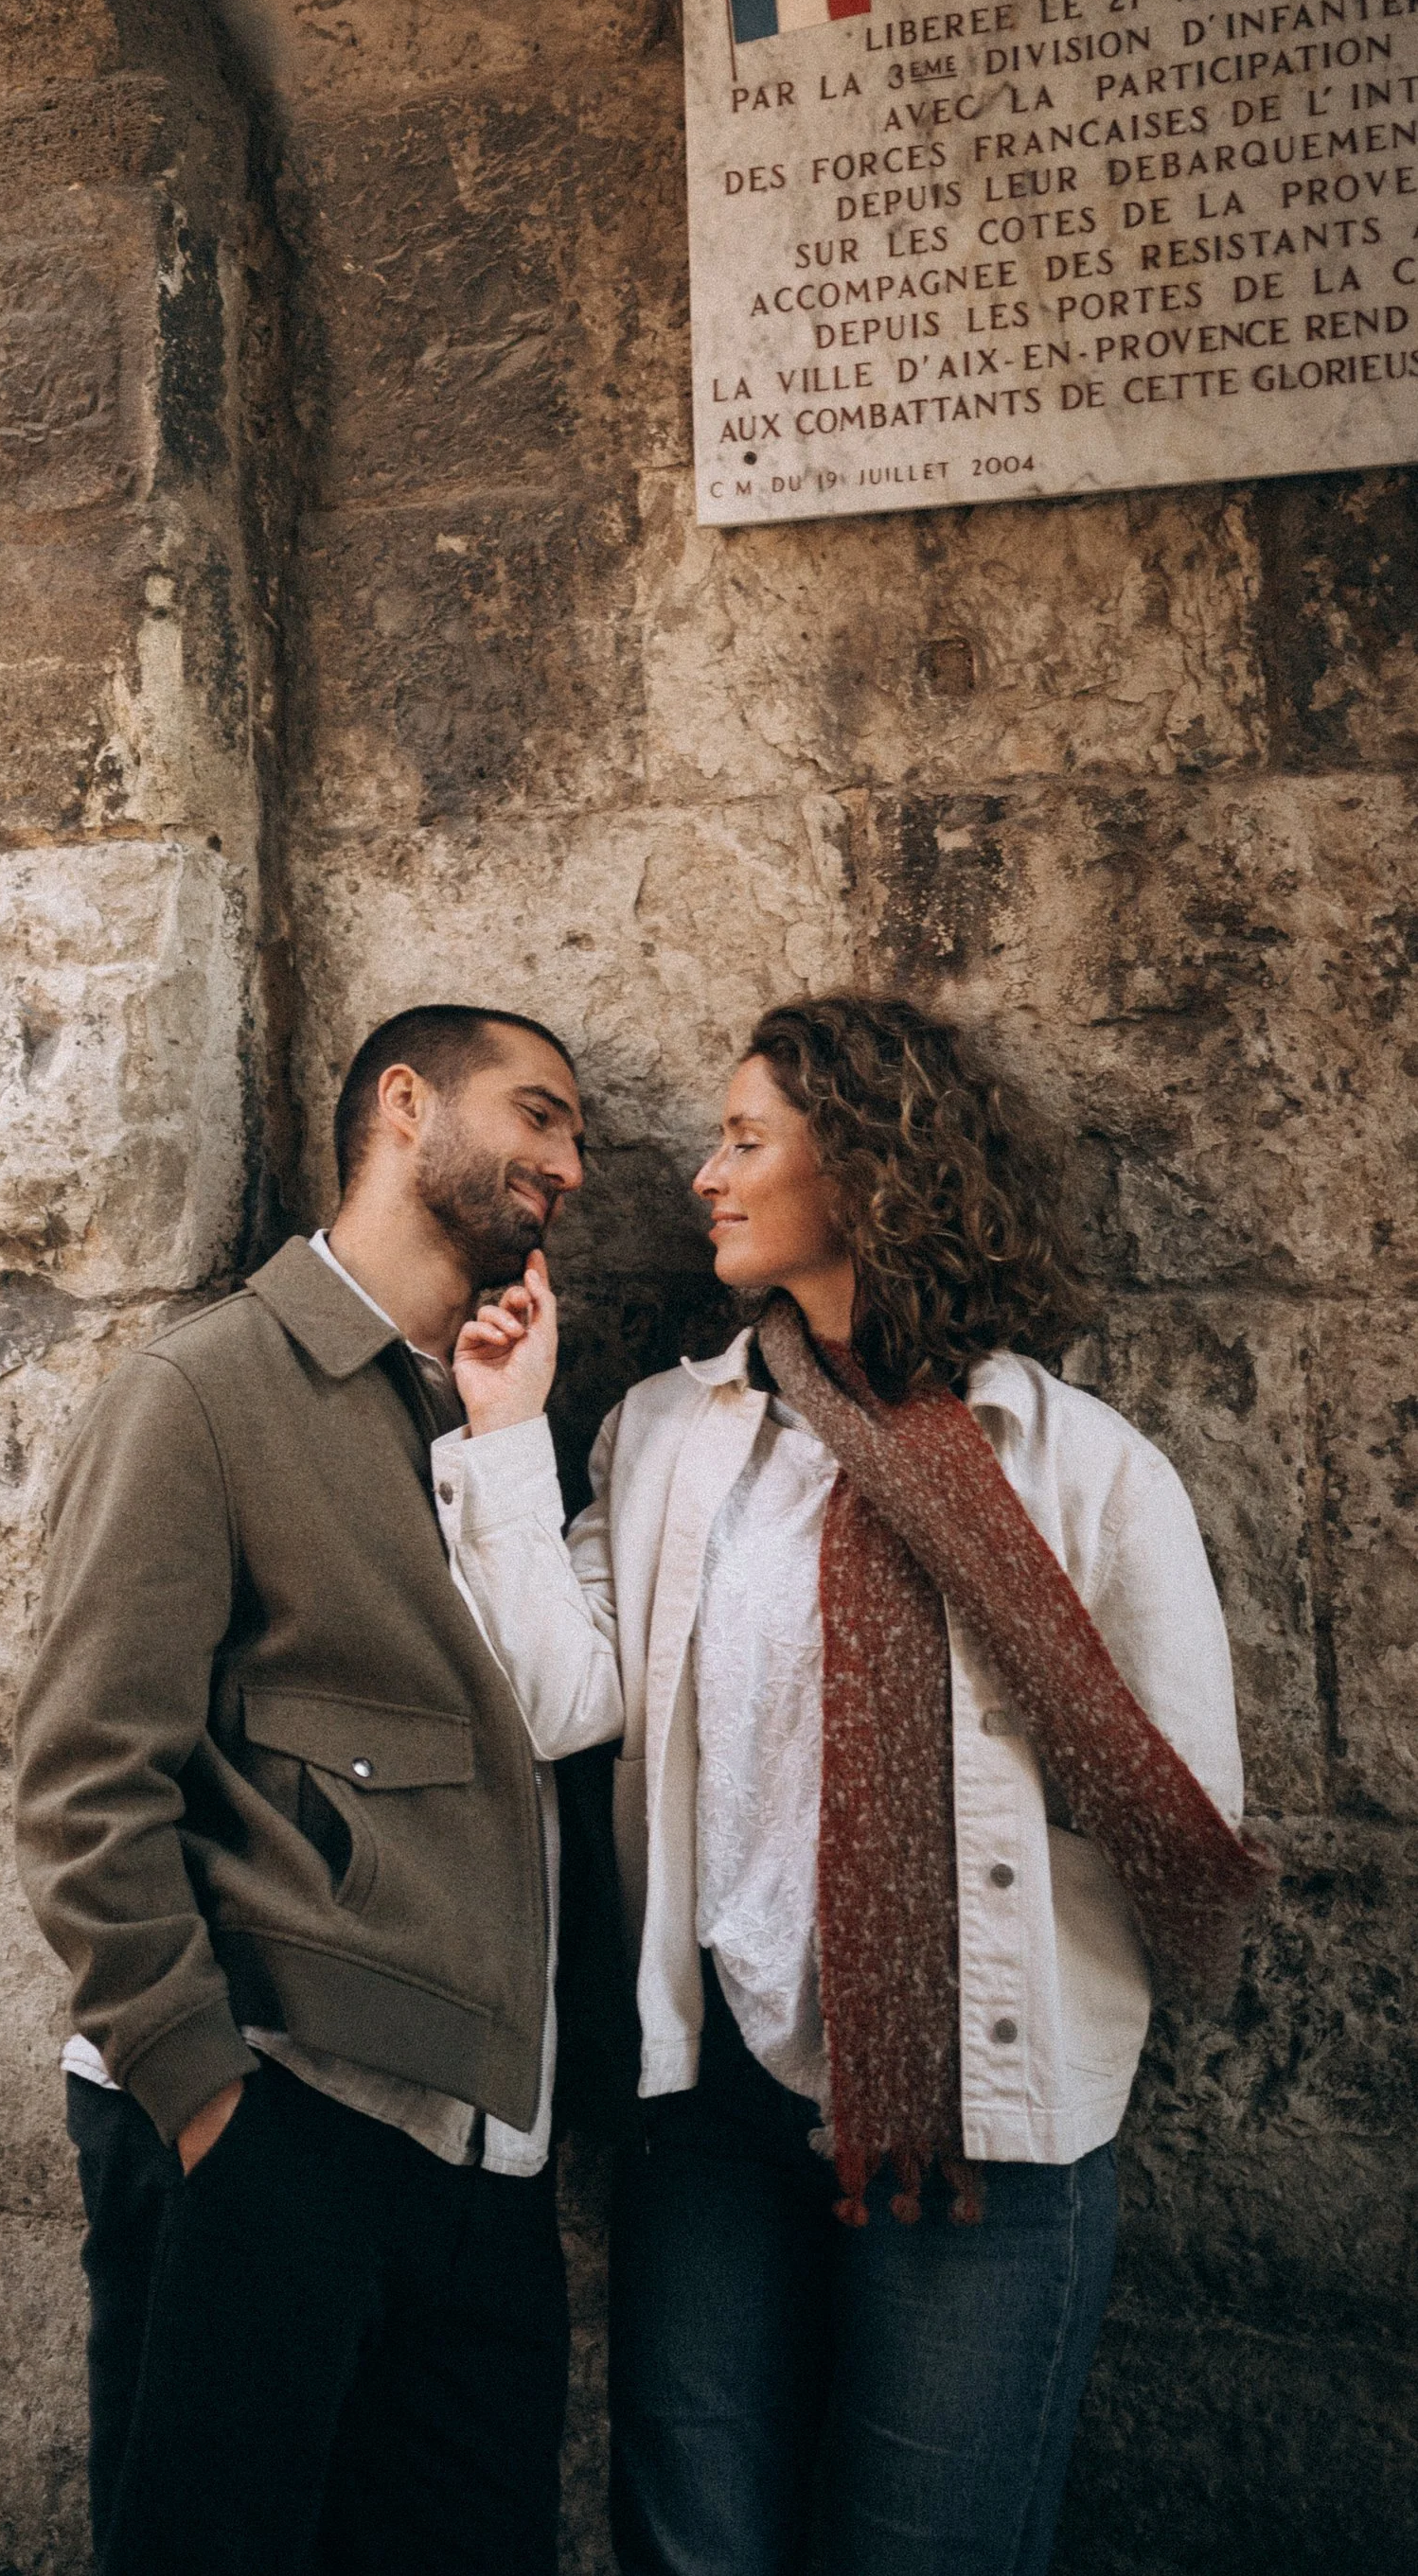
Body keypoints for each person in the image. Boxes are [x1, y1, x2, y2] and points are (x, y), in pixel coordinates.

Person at [441, 992, 1264, 2576]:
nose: (703, 1174)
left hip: (982, 2121)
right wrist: (501, 1438)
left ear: (873, 1167)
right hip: (723, 2113)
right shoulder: (674, 1438)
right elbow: (561, 1692)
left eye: (747, 1140)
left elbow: (1185, 1815)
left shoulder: (1077, 1466)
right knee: (696, 2546)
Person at [13, 1003, 588, 2576]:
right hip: (273, 2123)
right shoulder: (206, 1391)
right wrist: (210, 2104)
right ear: (406, 1106)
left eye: (576, 1134)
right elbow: (82, 1783)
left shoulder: (507, 1404)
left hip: (488, 2161)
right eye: (538, 1115)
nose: (571, 1164)